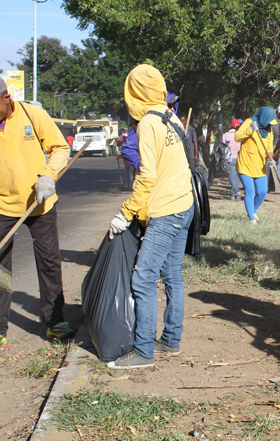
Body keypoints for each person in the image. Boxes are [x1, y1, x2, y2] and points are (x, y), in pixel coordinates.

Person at [105, 64, 194, 369]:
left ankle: (143, 351)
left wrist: (124, 214)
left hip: (167, 210)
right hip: (185, 205)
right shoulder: (173, 118)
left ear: (134, 92)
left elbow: (147, 177)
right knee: (172, 277)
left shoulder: (147, 124)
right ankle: (171, 340)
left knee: (143, 279)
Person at [0, 77, 75, 344]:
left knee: (49, 262)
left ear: (6, 98)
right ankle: (0, 326)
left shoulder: (32, 114)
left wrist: (48, 175)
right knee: (1, 270)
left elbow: (60, 147)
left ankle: (55, 321)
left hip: (40, 204)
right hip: (3, 207)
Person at [235, 107, 278, 223]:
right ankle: (251, 219)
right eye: (269, 121)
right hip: (245, 164)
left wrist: (270, 159)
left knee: (263, 191)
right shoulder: (250, 122)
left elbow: (269, 147)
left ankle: (253, 210)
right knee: (250, 191)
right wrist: (250, 129)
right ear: (263, 117)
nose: (270, 124)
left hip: (259, 166)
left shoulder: (268, 130)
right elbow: (237, 137)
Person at [222, 119, 243, 200]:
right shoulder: (240, 135)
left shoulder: (226, 135)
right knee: (235, 176)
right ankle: (232, 195)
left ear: (230, 125)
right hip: (239, 158)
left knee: (231, 176)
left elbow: (222, 146)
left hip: (229, 159)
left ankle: (237, 191)